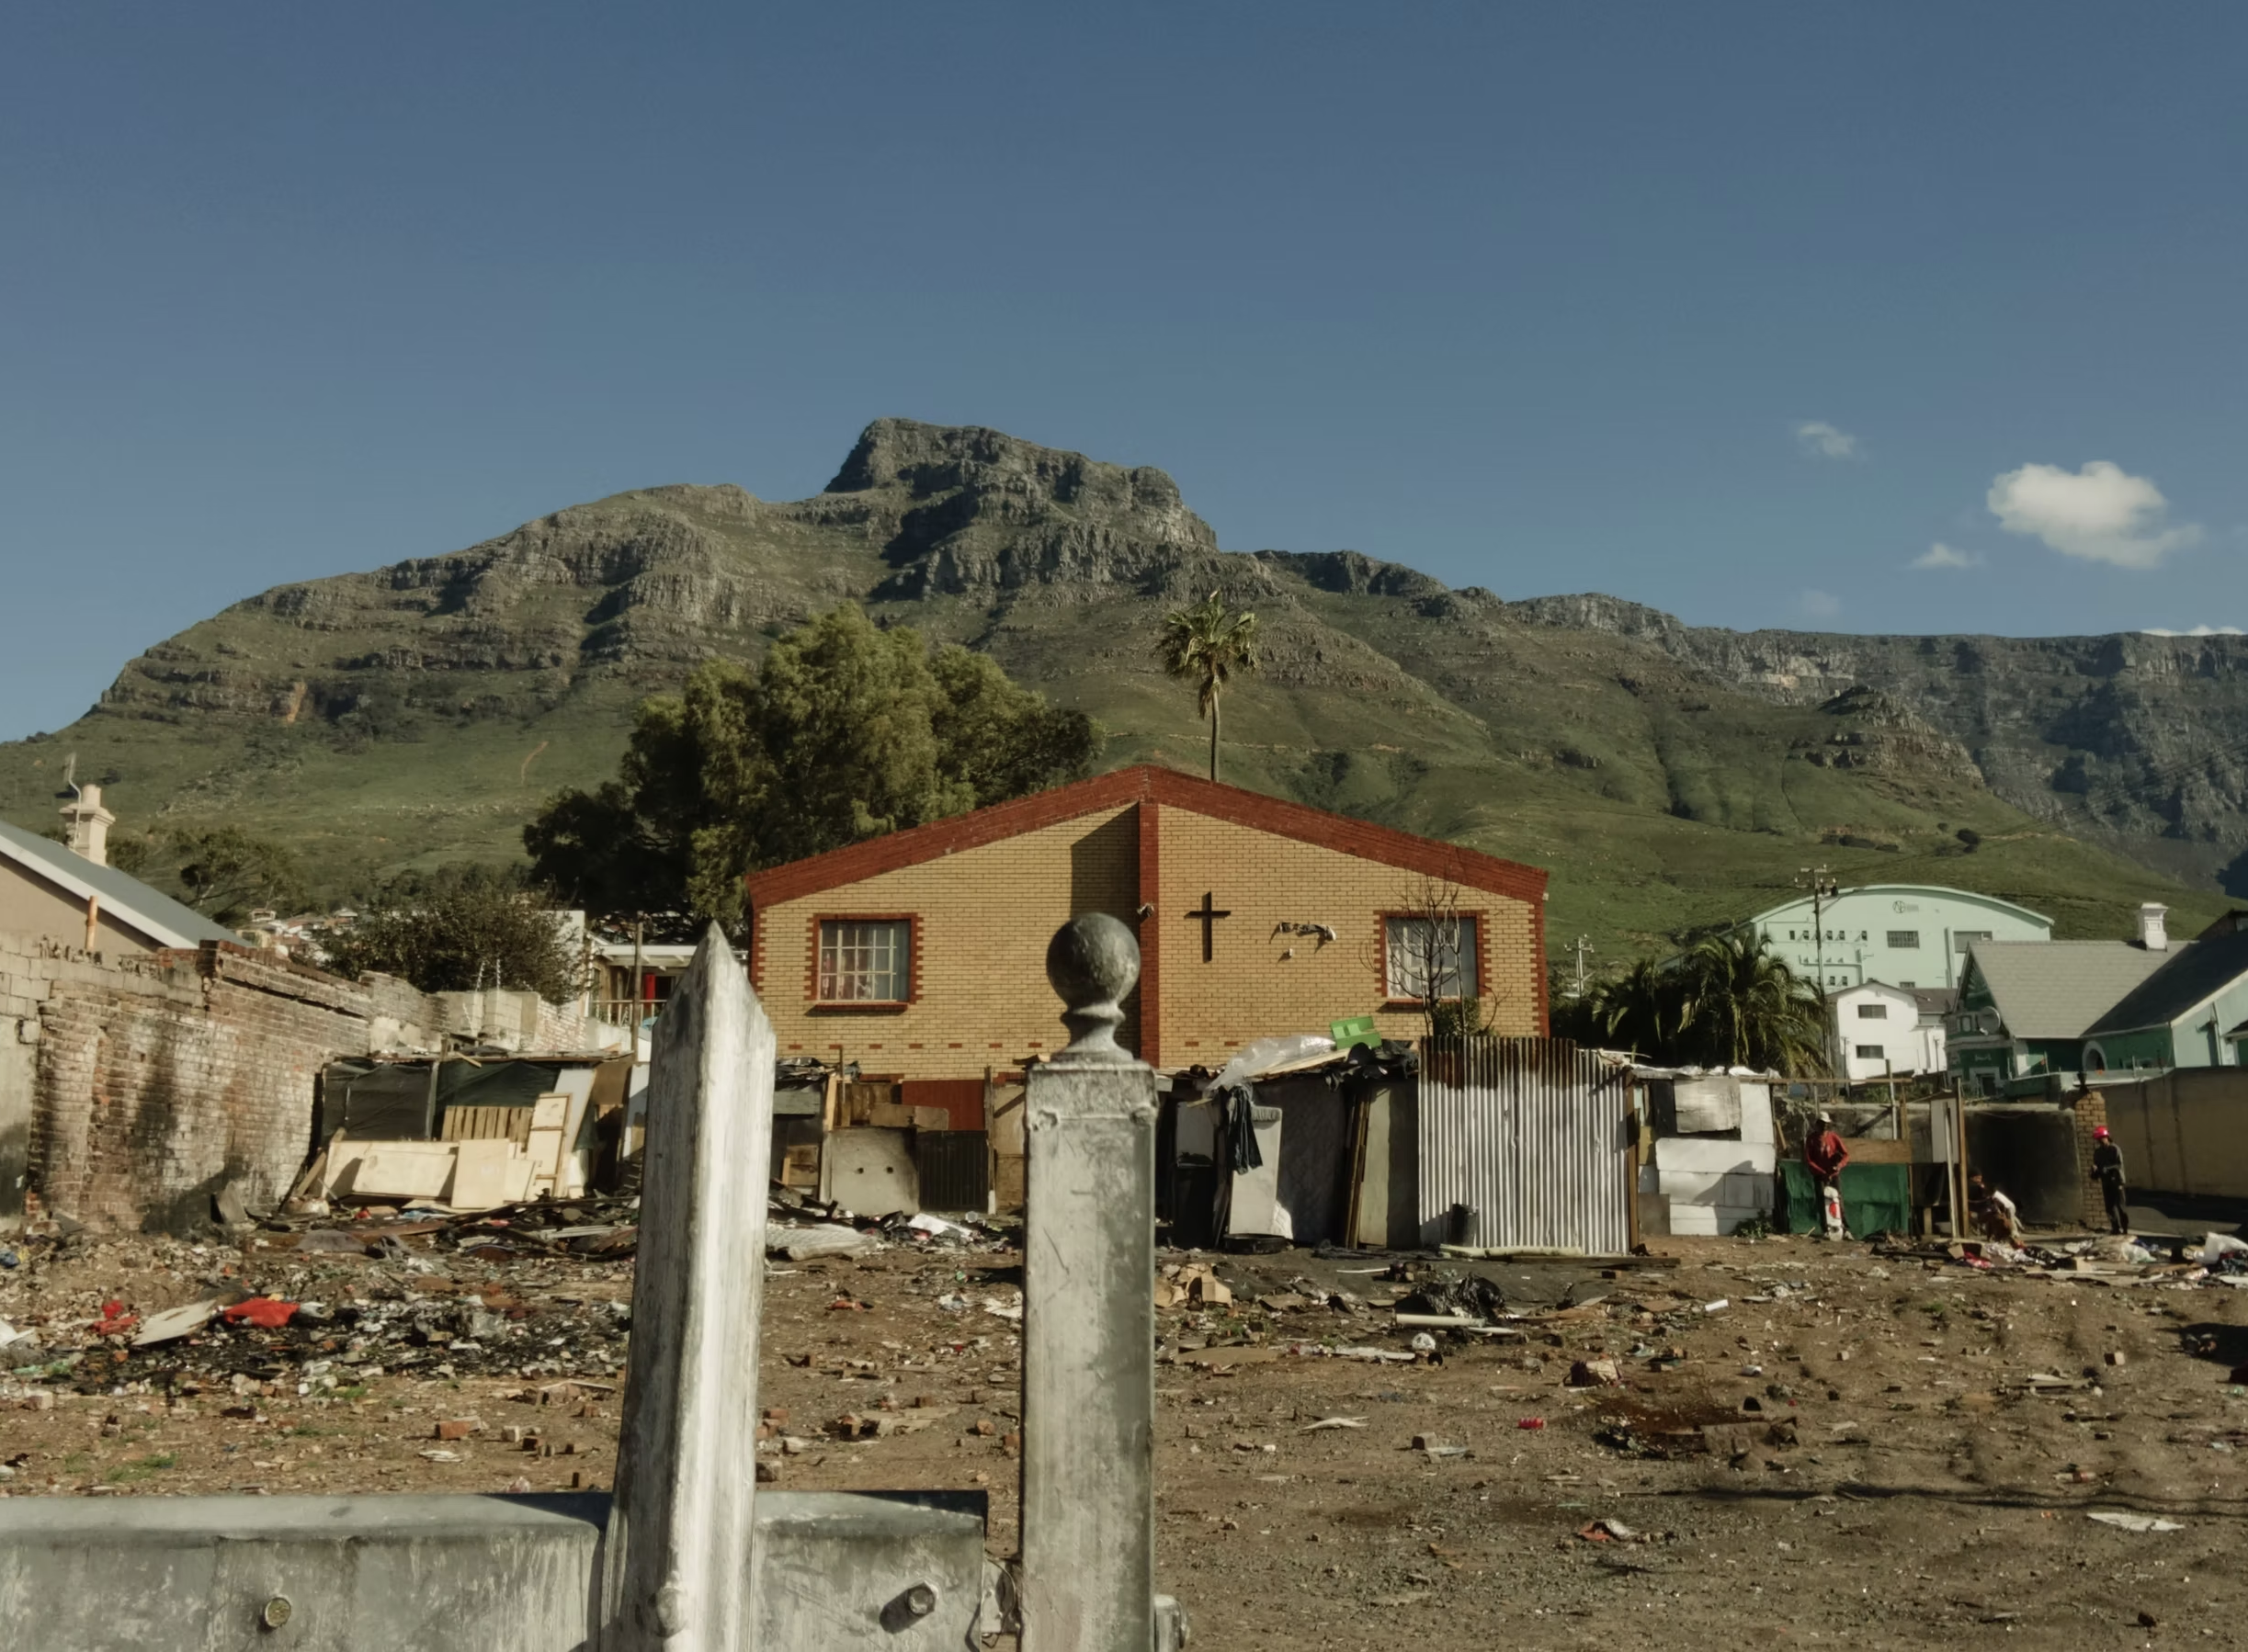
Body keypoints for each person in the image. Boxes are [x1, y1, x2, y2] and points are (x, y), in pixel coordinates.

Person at [1803, 1111, 1850, 1239]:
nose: (1824, 1126)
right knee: (1822, 1202)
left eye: (1826, 1124)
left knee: (1838, 1200)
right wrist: (1821, 1172)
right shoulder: (1812, 1139)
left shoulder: (1833, 1137)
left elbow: (1845, 1155)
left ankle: (1845, 1229)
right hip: (1820, 1176)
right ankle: (1826, 1229)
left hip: (1833, 1174)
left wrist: (1839, 1166)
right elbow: (1808, 1160)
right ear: (1817, 1124)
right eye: (1822, 1123)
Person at [2090, 1126, 2129, 1236]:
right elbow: (2097, 1170)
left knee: (2121, 1207)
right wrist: (2095, 1170)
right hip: (2106, 1183)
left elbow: (2119, 1165)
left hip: (2117, 1182)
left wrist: (2108, 1168)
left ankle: (2125, 1229)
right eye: (2098, 1139)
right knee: (2110, 1207)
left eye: (2101, 1138)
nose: (2100, 1141)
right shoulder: (2098, 1152)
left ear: (2106, 1137)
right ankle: (2115, 1228)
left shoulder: (2114, 1149)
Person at [1968, 1172, 2024, 1247]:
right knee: (1995, 1218)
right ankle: (2014, 1232)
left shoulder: (1994, 1196)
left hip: (2008, 1207)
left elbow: (2002, 1206)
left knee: (2009, 1220)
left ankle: (2014, 1234)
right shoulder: (1988, 1195)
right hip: (2002, 1208)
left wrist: (2003, 1214)